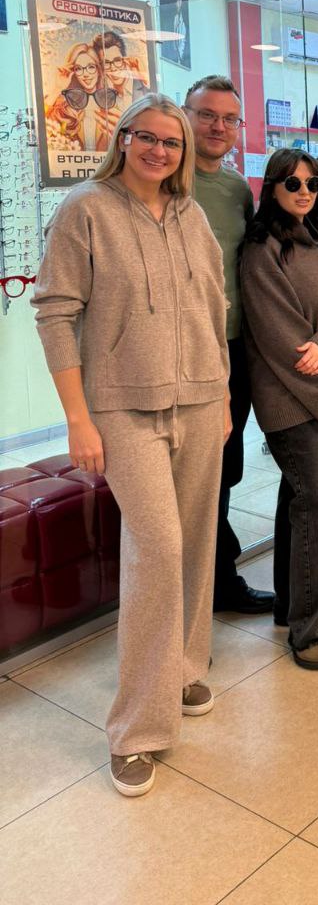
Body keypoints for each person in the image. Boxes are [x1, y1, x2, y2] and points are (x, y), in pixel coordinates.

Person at [32, 94, 230, 798]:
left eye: (171, 143)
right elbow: (55, 314)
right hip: (122, 407)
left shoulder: (190, 214)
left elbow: (213, 307)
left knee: (196, 543)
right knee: (158, 551)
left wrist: (223, 394)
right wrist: (77, 418)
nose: (158, 151)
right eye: (146, 137)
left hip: (201, 399)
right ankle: (136, 730)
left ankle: (184, 669)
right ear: (122, 139)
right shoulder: (85, 210)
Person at [240, 148, 318, 669]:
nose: (305, 191)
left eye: (313, 183)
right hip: (289, 398)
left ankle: (298, 601)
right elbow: (277, 335)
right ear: (272, 187)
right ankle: (310, 628)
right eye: (293, 184)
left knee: (304, 498)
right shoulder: (260, 250)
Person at [184, 75, 273, 615]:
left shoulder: (238, 188)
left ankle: (218, 577)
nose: (218, 127)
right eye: (207, 115)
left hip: (235, 348)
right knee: (196, 473)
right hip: (185, 354)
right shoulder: (167, 181)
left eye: (228, 119)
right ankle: (208, 583)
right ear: (186, 115)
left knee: (225, 467)